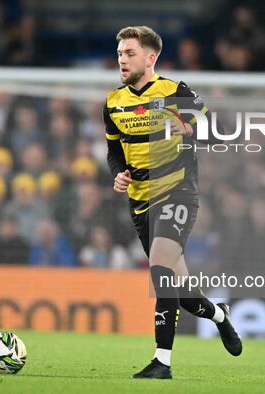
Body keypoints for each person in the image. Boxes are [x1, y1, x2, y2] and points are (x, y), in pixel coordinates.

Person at [104, 26, 242, 379]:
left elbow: (222, 133)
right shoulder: (114, 103)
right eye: (120, 53)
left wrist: (192, 131)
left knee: (160, 269)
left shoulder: (175, 92)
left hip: (177, 192)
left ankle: (161, 362)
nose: (122, 59)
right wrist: (118, 174)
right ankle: (219, 315)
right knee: (181, 293)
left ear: (150, 59)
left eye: (130, 53)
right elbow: (114, 153)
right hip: (140, 204)